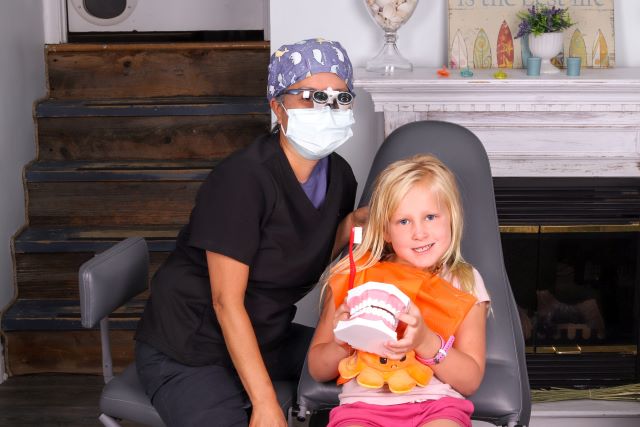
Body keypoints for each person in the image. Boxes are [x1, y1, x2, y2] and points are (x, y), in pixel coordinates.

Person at [134, 38, 366, 427]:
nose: (328, 109)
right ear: (277, 106)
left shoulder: (340, 177)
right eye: (311, 97)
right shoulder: (243, 179)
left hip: (266, 336)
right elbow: (226, 303)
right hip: (192, 344)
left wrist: (350, 227)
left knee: (373, 370)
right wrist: (265, 403)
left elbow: (298, 250)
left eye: (340, 98)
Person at [308, 154, 491, 427]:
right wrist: (342, 340)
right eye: (404, 222)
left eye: (430, 217)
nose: (420, 233)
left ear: (451, 217)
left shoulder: (464, 282)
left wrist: (426, 342)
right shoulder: (354, 276)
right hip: (362, 408)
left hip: (437, 408)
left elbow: (470, 380)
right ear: (385, 231)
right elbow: (318, 369)